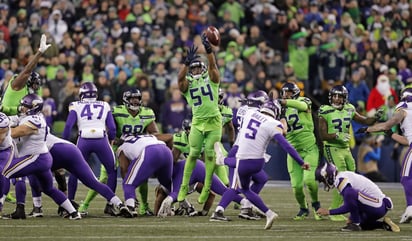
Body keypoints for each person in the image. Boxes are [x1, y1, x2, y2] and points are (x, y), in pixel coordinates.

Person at [211, 100, 310, 230]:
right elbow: (285, 144)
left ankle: (222, 161)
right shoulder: (273, 123)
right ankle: (263, 212)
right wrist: (301, 162)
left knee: (240, 187)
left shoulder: (250, 113)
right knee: (249, 187)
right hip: (259, 161)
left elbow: (236, 119)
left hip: (244, 158)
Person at [78, 88, 158, 216]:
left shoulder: (147, 113)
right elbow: (106, 130)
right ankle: (85, 204)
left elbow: (155, 133)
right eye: (132, 99)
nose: (135, 101)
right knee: (104, 178)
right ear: (126, 100)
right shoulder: (117, 112)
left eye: (137, 98)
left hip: (136, 147)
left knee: (143, 176)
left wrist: (143, 138)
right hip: (117, 148)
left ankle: (144, 206)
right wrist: (115, 140)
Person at [1, 94, 80, 219]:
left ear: (33, 108)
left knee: (4, 172)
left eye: (25, 106)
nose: (22, 108)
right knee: (49, 189)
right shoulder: (26, 117)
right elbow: (11, 120)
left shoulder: (35, 119)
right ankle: (74, 213)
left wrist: (4, 129)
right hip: (42, 158)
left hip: (36, 157)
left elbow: (17, 132)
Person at [28, 131, 133, 218]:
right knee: (93, 182)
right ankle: (119, 204)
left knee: (34, 174)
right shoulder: (34, 128)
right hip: (71, 150)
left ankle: (39, 208)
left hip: (57, 152)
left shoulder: (25, 135)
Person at [0, 34, 52, 209]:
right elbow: (28, 70)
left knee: (14, 172)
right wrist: (39, 53)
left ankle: (22, 207)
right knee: (10, 171)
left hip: (16, 130)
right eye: (34, 85)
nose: (35, 89)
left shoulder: (27, 97)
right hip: (7, 129)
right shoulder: (17, 84)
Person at [318, 85, 383, 221]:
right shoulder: (325, 111)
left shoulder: (349, 109)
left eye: (339, 96)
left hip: (345, 148)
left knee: (352, 176)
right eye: (334, 96)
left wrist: (375, 117)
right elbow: (322, 134)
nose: (336, 99)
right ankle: (334, 210)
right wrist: (336, 135)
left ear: (344, 98)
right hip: (332, 147)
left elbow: (365, 120)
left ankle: (349, 205)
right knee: (340, 176)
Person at [177, 33, 221, 204]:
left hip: (214, 121)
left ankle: (207, 187)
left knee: (209, 154)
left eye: (197, 68)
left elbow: (214, 67)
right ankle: (183, 186)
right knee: (194, 153)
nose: (195, 70)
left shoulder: (211, 80)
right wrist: (185, 63)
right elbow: (179, 79)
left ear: (203, 70)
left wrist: (209, 51)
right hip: (197, 122)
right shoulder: (188, 84)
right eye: (192, 69)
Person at [357, 86, 412, 224]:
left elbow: (387, 124)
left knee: (406, 178)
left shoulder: (403, 107)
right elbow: (406, 140)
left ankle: (410, 208)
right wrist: (392, 135)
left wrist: (368, 129)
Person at [62, 82, 117, 212]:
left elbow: (68, 126)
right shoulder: (105, 105)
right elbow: (113, 128)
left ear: (81, 94)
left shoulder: (75, 105)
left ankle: (70, 203)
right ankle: (110, 204)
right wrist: (111, 139)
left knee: (74, 171)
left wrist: (65, 142)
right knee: (111, 171)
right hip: (101, 140)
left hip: (84, 140)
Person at [315, 162, 400, 232]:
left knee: (350, 195)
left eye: (323, 180)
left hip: (377, 206)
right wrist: (352, 217)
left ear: (329, 176)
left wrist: (329, 212)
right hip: (376, 205)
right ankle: (384, 225)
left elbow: (349, 204)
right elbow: (354, 203)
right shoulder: (342, 177)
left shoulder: (341, 180)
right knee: (362, 224)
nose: (324, 183)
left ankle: (355, 224)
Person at [279, 82, 322, 220]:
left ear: (296, 93)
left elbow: (302, 106)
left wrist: (284, 102)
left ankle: (316, 205)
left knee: (309, 180)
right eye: (285, 93)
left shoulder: (303, 100)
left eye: (289, 92)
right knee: (296, 186)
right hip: (293, 152)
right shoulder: (281, 109)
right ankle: (303, 209)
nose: (286, 95)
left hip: (309, 149)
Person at [117, 134, 173, 217]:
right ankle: (184, 205)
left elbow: (123, 168)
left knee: (128, 183)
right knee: (169, 185)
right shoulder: (149, 137)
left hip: (149, 152)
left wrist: (130, 194)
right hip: (166, 151)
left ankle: (130, 207)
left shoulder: (123, 147)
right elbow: (170, 137)